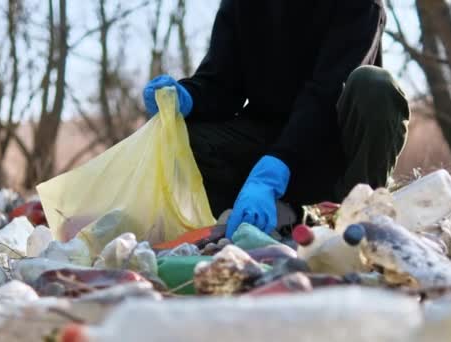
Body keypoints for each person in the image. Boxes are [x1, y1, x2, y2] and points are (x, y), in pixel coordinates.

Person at [143, 0, 410, 239]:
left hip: (334, 149)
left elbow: (326, 92)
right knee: (182, 140)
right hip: (266, 144)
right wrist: (185, 97)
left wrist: (277, 166)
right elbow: (221, 84)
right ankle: (262, 219)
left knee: (375, 86)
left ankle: (360, 218)